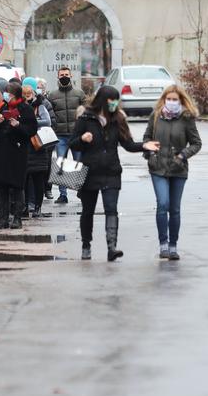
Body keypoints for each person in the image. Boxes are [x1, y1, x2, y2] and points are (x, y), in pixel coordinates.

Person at [68, 86, 159, 261]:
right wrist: (82, 139)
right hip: (89, 172)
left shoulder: (118, 119)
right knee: (88, 211)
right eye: (112, 100)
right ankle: (86, 245)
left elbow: (128, 144)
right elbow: (73, 143)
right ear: (103, 100)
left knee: (111, 209)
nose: (115, 103)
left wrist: (144, 145)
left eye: (116, 100)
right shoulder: (85, 118)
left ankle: (112, 247)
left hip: (111, 171)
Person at [142, 86, 203, 260]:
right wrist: (150, 153)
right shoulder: (155, 116)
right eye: (169, 99)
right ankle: (163, 244)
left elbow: (196, 143)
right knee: (163, 204)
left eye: (175, 99)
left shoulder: (186, 119)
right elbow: (146, 139)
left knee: (174, 209)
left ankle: (173, 245)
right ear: (163, 99)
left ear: (181, 101)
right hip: (157, 167)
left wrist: (183, 155)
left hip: (178, 169)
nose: (172, 102)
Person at [0, 79, 35, 229]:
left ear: (14, 94)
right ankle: (3, 218)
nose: (6, 96)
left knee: (17, 185)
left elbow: (31, 130)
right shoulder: (3, 107)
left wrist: (18, 125)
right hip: (2, 151)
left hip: (18, 151)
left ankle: (17, 218)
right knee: (2, 185)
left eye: (8, 93)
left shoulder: (25, 109)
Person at [47, 66, 82, 205]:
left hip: (76, 135)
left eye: (66, 74)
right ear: (58, 77)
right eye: (62, 75)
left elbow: (85, 113)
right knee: (61, 164)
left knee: (79, 163)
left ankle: (81, 190)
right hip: (60, 135)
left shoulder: (79, 94)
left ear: (71, 76)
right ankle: (63, 194)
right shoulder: (52, 95)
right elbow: (50, 114)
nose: (64, 76)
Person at [21, 81, 52, 218]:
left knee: (38, 179)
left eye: (29, 94)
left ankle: (38, 207)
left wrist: (31, 122)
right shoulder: (20, 107)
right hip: (24, 147)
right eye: (25, 94)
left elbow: (48, 121)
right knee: (25, 180)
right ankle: (26, 206)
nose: (27, 96)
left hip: (38, 146)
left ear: (33, 93)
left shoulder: (40, 107)